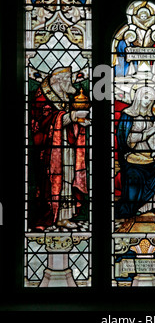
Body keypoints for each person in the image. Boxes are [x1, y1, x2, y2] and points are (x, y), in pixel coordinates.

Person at [31, 66, 91, 231]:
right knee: (53, 182)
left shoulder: (63, 97)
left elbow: (65, 121)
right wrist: (72, 116)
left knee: (67, 178)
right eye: (67, 79)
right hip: (50, 151)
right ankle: (50, 216)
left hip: (66, 147)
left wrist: (78, 123)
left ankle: (64, 217)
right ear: (58, 80)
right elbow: (43, 122)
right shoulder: (42, 97)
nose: (70, 83)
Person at [115, 86, 155, 218]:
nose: (148, 102)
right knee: (133, 174)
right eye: (146, 97)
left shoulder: (152, 117)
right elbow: (126, 140)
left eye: (151, 99)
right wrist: (146, 134)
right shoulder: (127, 115)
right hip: (133, 155)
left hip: (150, 154)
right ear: (138, 97)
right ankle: (135, 206)